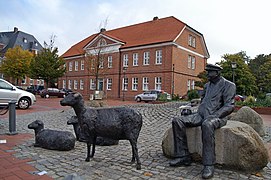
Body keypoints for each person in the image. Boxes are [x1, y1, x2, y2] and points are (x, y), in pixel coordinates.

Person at [169, 64, 236, 179]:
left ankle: (209, 164)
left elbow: (229, 106)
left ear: (217, 73)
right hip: (201, 115)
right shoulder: (207, 86)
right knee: (177, 120)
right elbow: (203, 103)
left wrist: (215, 115)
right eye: (207, 72)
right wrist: (192, 111)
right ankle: (183, 156)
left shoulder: (228, 85)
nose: (207, 75)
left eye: (210, 72)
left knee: (207, 125)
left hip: (218, 117)